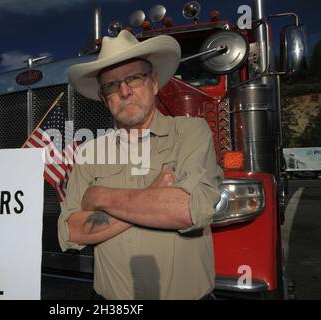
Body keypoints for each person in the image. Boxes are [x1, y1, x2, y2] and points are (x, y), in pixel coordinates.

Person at [58, 30, 223, 300]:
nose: (124, 91)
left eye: (134, 78)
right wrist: (153, 199)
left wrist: (99, 196)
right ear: (103, 97)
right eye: (111, 85)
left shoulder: (191, 131)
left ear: (154, 83)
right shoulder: (89, 152)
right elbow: (70, 230)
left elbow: (189, 211)